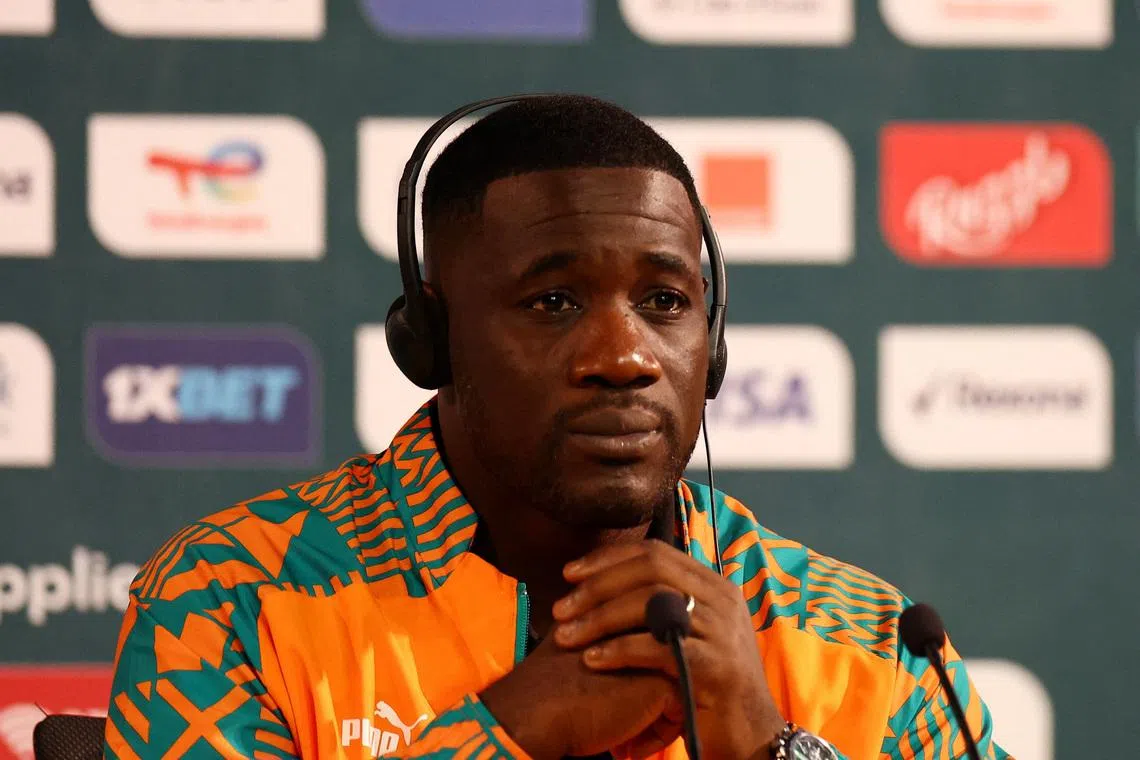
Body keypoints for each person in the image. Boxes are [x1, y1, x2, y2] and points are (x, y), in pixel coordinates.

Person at [104, 94, 1009, 760]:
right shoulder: (234, 597)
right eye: (553, 300)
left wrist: (768, 746)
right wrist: (512, 731)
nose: (624, 355)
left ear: (714, 339)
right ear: (432, 336)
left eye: (665, 300)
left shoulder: (869, 641)